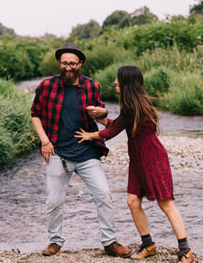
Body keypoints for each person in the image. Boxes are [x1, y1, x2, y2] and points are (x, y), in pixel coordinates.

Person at [75, 65, 195, 263]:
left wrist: (90, 135)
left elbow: (112, 132)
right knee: (133, 202)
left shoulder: (133, 106)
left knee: (166, 204)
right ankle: (148, 245)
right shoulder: (133, 105)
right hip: (138, 159)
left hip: (152, 158)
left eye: (118, 79)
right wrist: (102, 119)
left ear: (126, 83)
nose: (115, 82)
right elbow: (120, 125)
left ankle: (185, 251)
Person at [30, 43, 131, 257]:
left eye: (72, 63)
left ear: (80, 64)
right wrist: (44, 141)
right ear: (60, 63)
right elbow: (35, 114)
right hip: (57, 153)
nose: (67, 67)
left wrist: (102, 111)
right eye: (64, 63)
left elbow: (100, 114)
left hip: (87, 153)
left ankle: (110, 241)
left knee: (103, 194)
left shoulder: (92, 86)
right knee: (54, 200)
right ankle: (55, 242)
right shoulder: (46, 85)